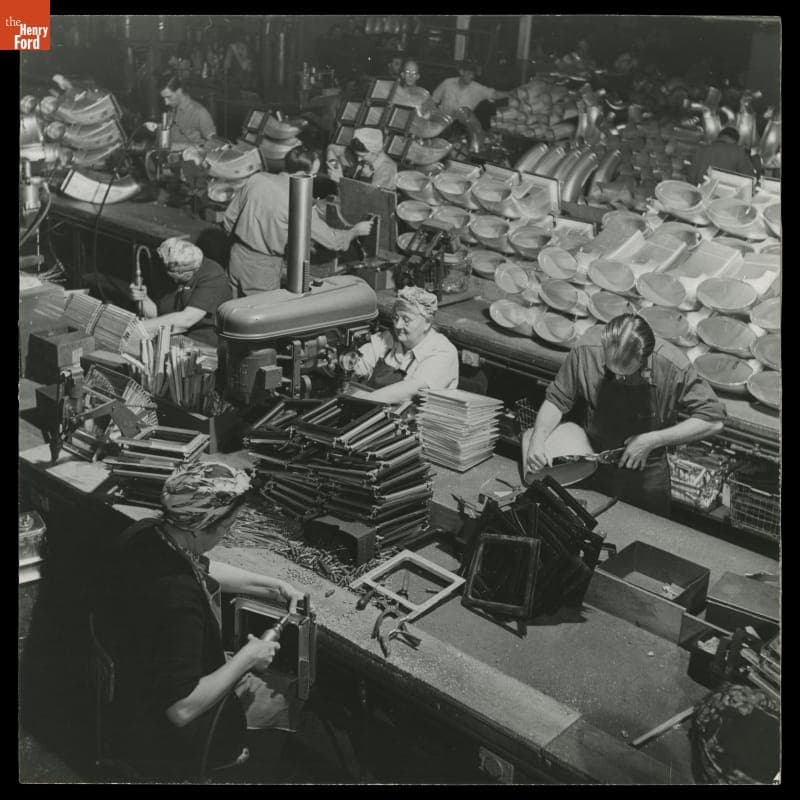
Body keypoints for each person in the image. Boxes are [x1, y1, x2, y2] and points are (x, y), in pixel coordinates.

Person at [93, 461, 307, 780]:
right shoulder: (178, 600)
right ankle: (246, 766)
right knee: (281, 697)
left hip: (128, 695)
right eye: (227, 526)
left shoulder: (148, 535)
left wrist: (272, 586)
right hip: (169, 737)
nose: (228, 533)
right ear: (199, 526)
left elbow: (199, 566)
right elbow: (181, 709)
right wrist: (248, 659)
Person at [523, 314, 726, 517]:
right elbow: (557, 400)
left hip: (645, 474)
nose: (619, 378)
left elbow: (713, 421)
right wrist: (537, 439)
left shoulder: (671, 365)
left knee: (644, 535)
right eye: (612, 370)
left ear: (645, 358)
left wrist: (651, 440)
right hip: (592, 462)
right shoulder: (586, 350)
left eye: (627, 373)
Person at [222, 145, 374, 297]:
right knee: (263, 317)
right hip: (262, 268)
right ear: (302, 174)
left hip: (236, 256)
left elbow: (229, 218)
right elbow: (332, 241)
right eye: (313, 175)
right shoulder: (297, 200)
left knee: (230, 312)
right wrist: (354, 231)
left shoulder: (256, 179)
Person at [342, 286, 459, 405]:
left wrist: (361, 401)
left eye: (406, 320)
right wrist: (348, 365)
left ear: (427, 323)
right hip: (380, 411)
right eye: (396, 318)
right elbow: (361, 361)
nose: (398, 325)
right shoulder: (389, 338)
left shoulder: (443, 351)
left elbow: (411, 389)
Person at [127, 237, 231, 348]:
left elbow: (186, 320)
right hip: (175, 336)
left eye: (180, 274)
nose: (175, 279)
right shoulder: (169, 269)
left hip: (204, 342)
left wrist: (138, 327)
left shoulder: (213, 275)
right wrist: (142, 298)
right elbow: (158, 315)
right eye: (171, 272)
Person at [325, 127, 397, 190]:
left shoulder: (388, 169)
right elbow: (331, 148)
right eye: (357, 155)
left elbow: (368, 198)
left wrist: (341, 181)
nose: (359, 159)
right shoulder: (358, 153)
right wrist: (335, 165)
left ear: (375, 152)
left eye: (363, 156)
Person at [431, 60, 510, 116]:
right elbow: (433, 100)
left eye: (473, 74)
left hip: (463, 125)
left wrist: (511, 93)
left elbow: (494, 94)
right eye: (469, 74)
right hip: (443, 121)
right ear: (461, 72)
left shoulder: (477, 88)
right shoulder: (447, 83)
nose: (472, 76)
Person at [159, 74, 217, 151]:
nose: (166, 102)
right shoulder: (172, 109)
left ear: (179, 91)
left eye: (169, 97)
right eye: (164, 98)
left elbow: (214, 144)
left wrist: (181, 146)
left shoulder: (199, 112)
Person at [688, 126, 757, 185]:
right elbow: (749, 178)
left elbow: (691, 176)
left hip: (701, 193)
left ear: (719, 137)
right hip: (724, 197)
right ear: (735, 140)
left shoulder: (701, 150)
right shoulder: (738, 151)